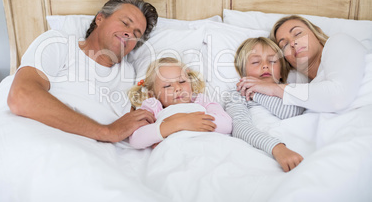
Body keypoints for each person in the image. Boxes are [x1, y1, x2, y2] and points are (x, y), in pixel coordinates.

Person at [7, 0, 160, 143]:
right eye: (125, 23)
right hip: (44, 143)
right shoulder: (60, 43)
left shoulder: (131, 74)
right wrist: (107, 132)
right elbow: (21, 96)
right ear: (100, 18)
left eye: (136, 33)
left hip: (97, 158)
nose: (129, 33)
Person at [237, 15, 367, 113]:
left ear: (316, 32)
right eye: (285, 44)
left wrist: (273, 89)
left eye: (298, 34)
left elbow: (338, 96)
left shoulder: (339, 41)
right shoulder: (311, 89)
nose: (293, 43)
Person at [225, 37, 305, 172]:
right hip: (266, 150)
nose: (265, 65)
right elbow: (240, 127)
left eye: (273, 61)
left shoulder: (290, 89)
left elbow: (292, 113)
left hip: (298, 145)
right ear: (243, 73)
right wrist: (277, 148)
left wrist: (257, 92)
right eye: (256, 62)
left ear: (281, 71)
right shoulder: (238, 93)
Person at [128, 57, 232, 149]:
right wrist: (180, 123)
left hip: (210, 146)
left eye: (182, 82)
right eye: (167, 86)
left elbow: (226, 124)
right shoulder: (154, 107)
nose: (178, 88)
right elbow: (136, 139)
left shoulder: (201, 101)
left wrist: (192, 122)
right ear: (153, 95)